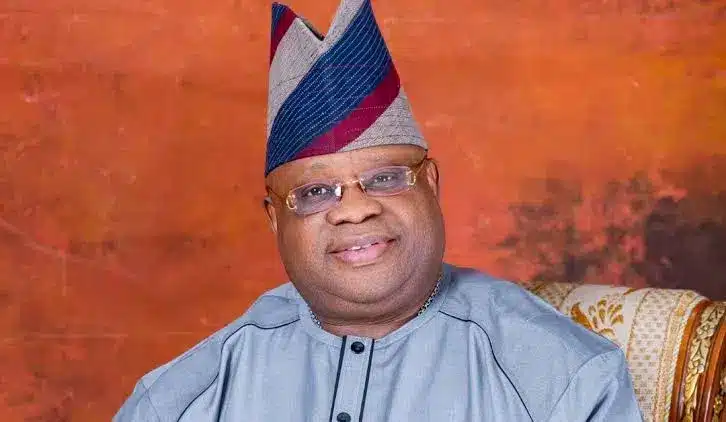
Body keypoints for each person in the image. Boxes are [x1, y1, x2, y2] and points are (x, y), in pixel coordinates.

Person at [114, 0, 643, 420]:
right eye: (316, 192)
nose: (355, 210)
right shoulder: (180, 400)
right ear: (275, 219)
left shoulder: (567, 380)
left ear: (430, 185)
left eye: (385, 179)